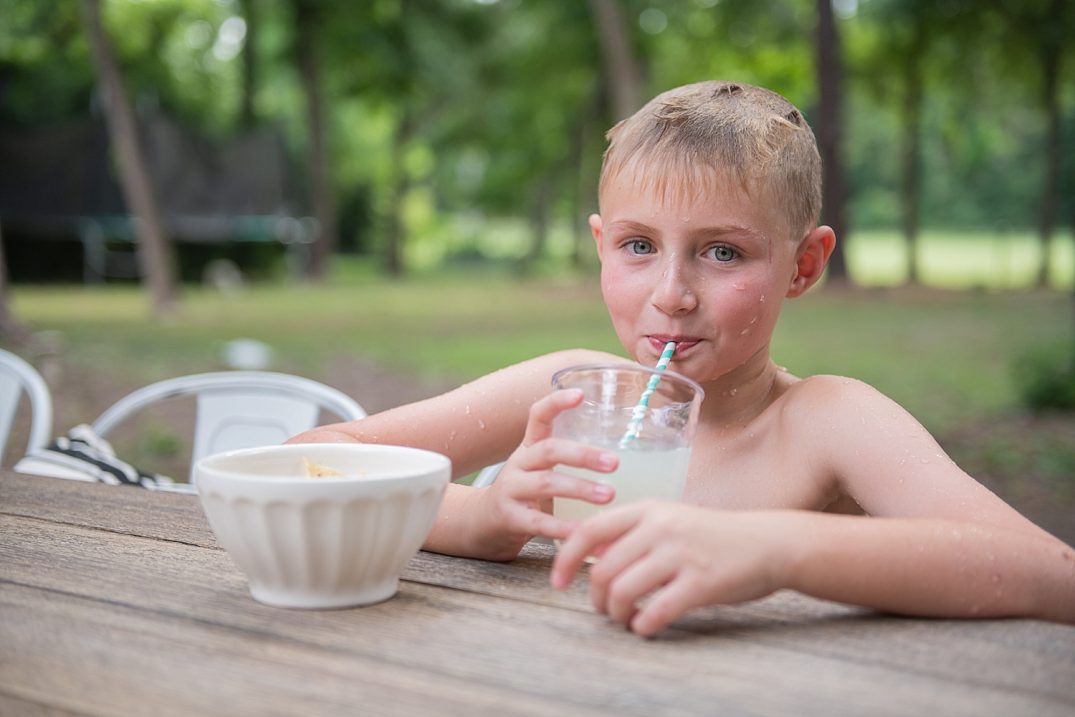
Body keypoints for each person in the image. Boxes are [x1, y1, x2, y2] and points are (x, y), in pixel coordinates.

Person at [289, 80, 1075, 636]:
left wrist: (776, 549)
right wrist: (483, 518)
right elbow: (314, 458)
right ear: (600, 246)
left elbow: (1050, 574)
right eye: (638, 246)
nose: (672, 293)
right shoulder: (567, 390)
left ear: (802, 265)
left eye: (722, 253)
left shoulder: (823, 421)